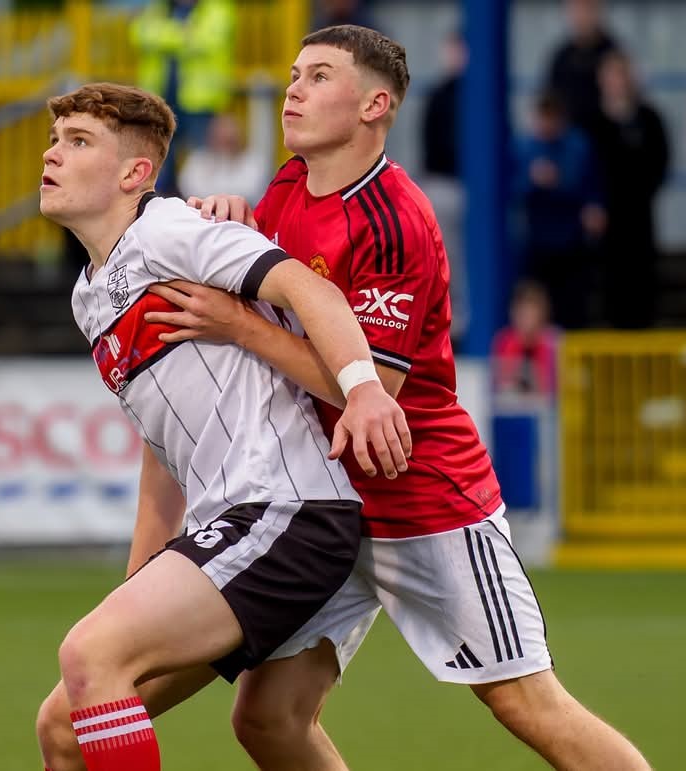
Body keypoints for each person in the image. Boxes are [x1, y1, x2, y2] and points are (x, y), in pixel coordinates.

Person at [39, 24, 649, 771]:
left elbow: (370, 392)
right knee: (267, 719)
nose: (294, 88)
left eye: (319, 76)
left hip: (420, 498)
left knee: (525, 701)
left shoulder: (395, 218)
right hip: (314, 501)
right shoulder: (286, 191)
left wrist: (237, 322)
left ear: (374, 105)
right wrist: (234, 220)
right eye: (295, 73)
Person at [35, 81, 410, 771]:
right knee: (63, 722)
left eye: (78, 141)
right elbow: (162, 457)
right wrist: (139, 588)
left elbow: (310, 287)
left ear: (135, 173)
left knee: (90, 653)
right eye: (56, 139)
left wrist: (363, 391)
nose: (52, 154)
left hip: (287, 509)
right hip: (235, 523)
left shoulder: (167, 229)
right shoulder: (91, 294)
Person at [588, 49, 670, 329]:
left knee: (642, 278)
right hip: (606, 218)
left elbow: (661, 163)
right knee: (610, 281)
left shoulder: (648, 119)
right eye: (612, 76)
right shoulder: (592, 123)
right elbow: (586, 168)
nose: (618, 82)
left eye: (622, 75)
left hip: (640, 215)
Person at [514, 91, 606, 330]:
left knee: (572, 305)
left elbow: (591, 186)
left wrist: (561, 183)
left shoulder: (578, 147)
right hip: (536, 241)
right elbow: (509, 189)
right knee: (536, 299)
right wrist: (531, 181)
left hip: (571, 240)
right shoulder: (524, 148)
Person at [130, 0, 235, 196]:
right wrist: (184, 35)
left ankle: (200, 211)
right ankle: (159, 206)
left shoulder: (218, 8)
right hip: (160, 101)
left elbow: (206, 41)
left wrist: (161, 35)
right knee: (158, 163)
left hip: (200, 101)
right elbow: (139, 34)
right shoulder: (158, 8)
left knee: (202, 164)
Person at [420, 26, 468, 345]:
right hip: (444, 185)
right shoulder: (440, 95)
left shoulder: (484, 95)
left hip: (473, 191)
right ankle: (447, 321)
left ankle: (462, 320)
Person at [178, 83, 273, 206]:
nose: (224, 142)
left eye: (229, 139)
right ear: (211, 136)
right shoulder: (197, 161)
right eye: (220, 137)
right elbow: (188, 188)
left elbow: (251, 191)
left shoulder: (254, 163)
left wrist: (228, 167)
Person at [544, 0, 620, 135]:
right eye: (576, 10)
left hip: (607, 136)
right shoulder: (562, 56)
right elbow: (550, 98)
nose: (582, 16)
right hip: (567, 137)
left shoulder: (612, 53)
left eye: (587, 9)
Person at [492, 280, 559, 396]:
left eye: (530, 313)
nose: (525, 320)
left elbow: (553, 389)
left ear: (542, 313)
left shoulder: (554, 343)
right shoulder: (504, 341)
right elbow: (499, 387)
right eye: (521, 313)